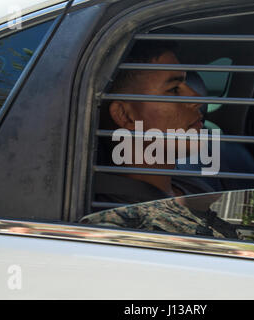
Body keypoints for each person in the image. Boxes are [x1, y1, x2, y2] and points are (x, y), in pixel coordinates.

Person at [86, 40, 241, 238]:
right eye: (174, 89)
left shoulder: (187, 185)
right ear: (125, 116)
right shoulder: (119, 223)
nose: (197, 99)